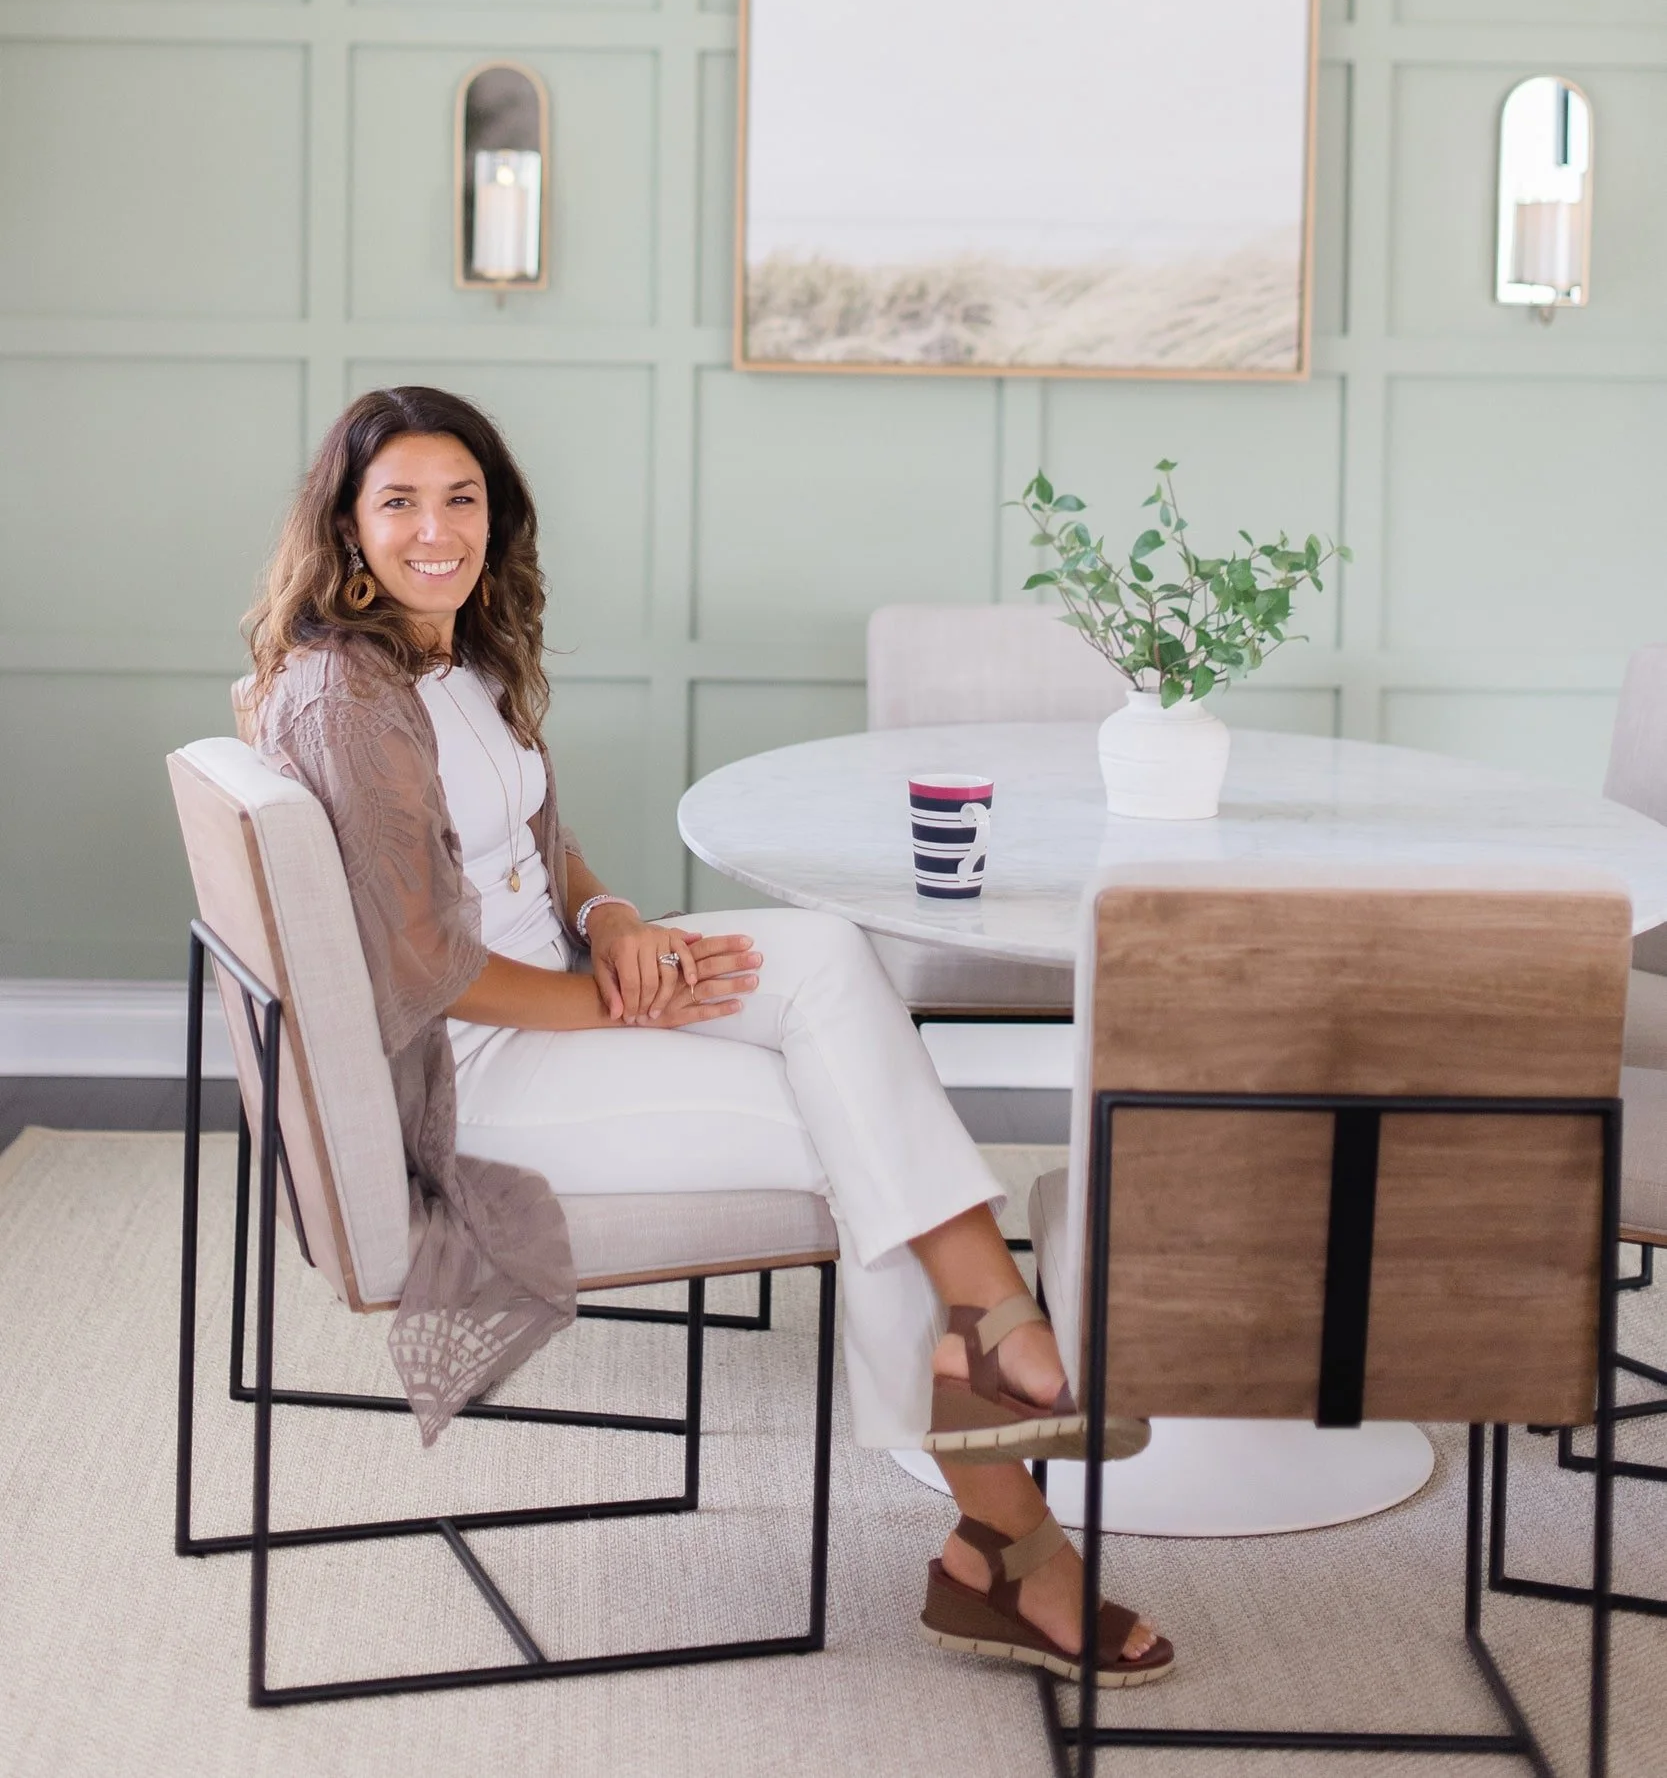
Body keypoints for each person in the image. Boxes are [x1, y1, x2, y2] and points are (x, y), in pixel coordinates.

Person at [243, 383, 1172, 1689]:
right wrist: (618, 997)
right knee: (845, 1134)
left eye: (462, 498)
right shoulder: (346, 696)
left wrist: (618, 921)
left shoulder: (458, 653)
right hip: (479, 1073)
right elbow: (421, 965)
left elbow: (538, 844)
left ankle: (995, 1326)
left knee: (827, 962)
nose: (435, 528)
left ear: (496, 516)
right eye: (398, 502)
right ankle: (1008, 1539)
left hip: (567, 987)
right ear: (346, 527)